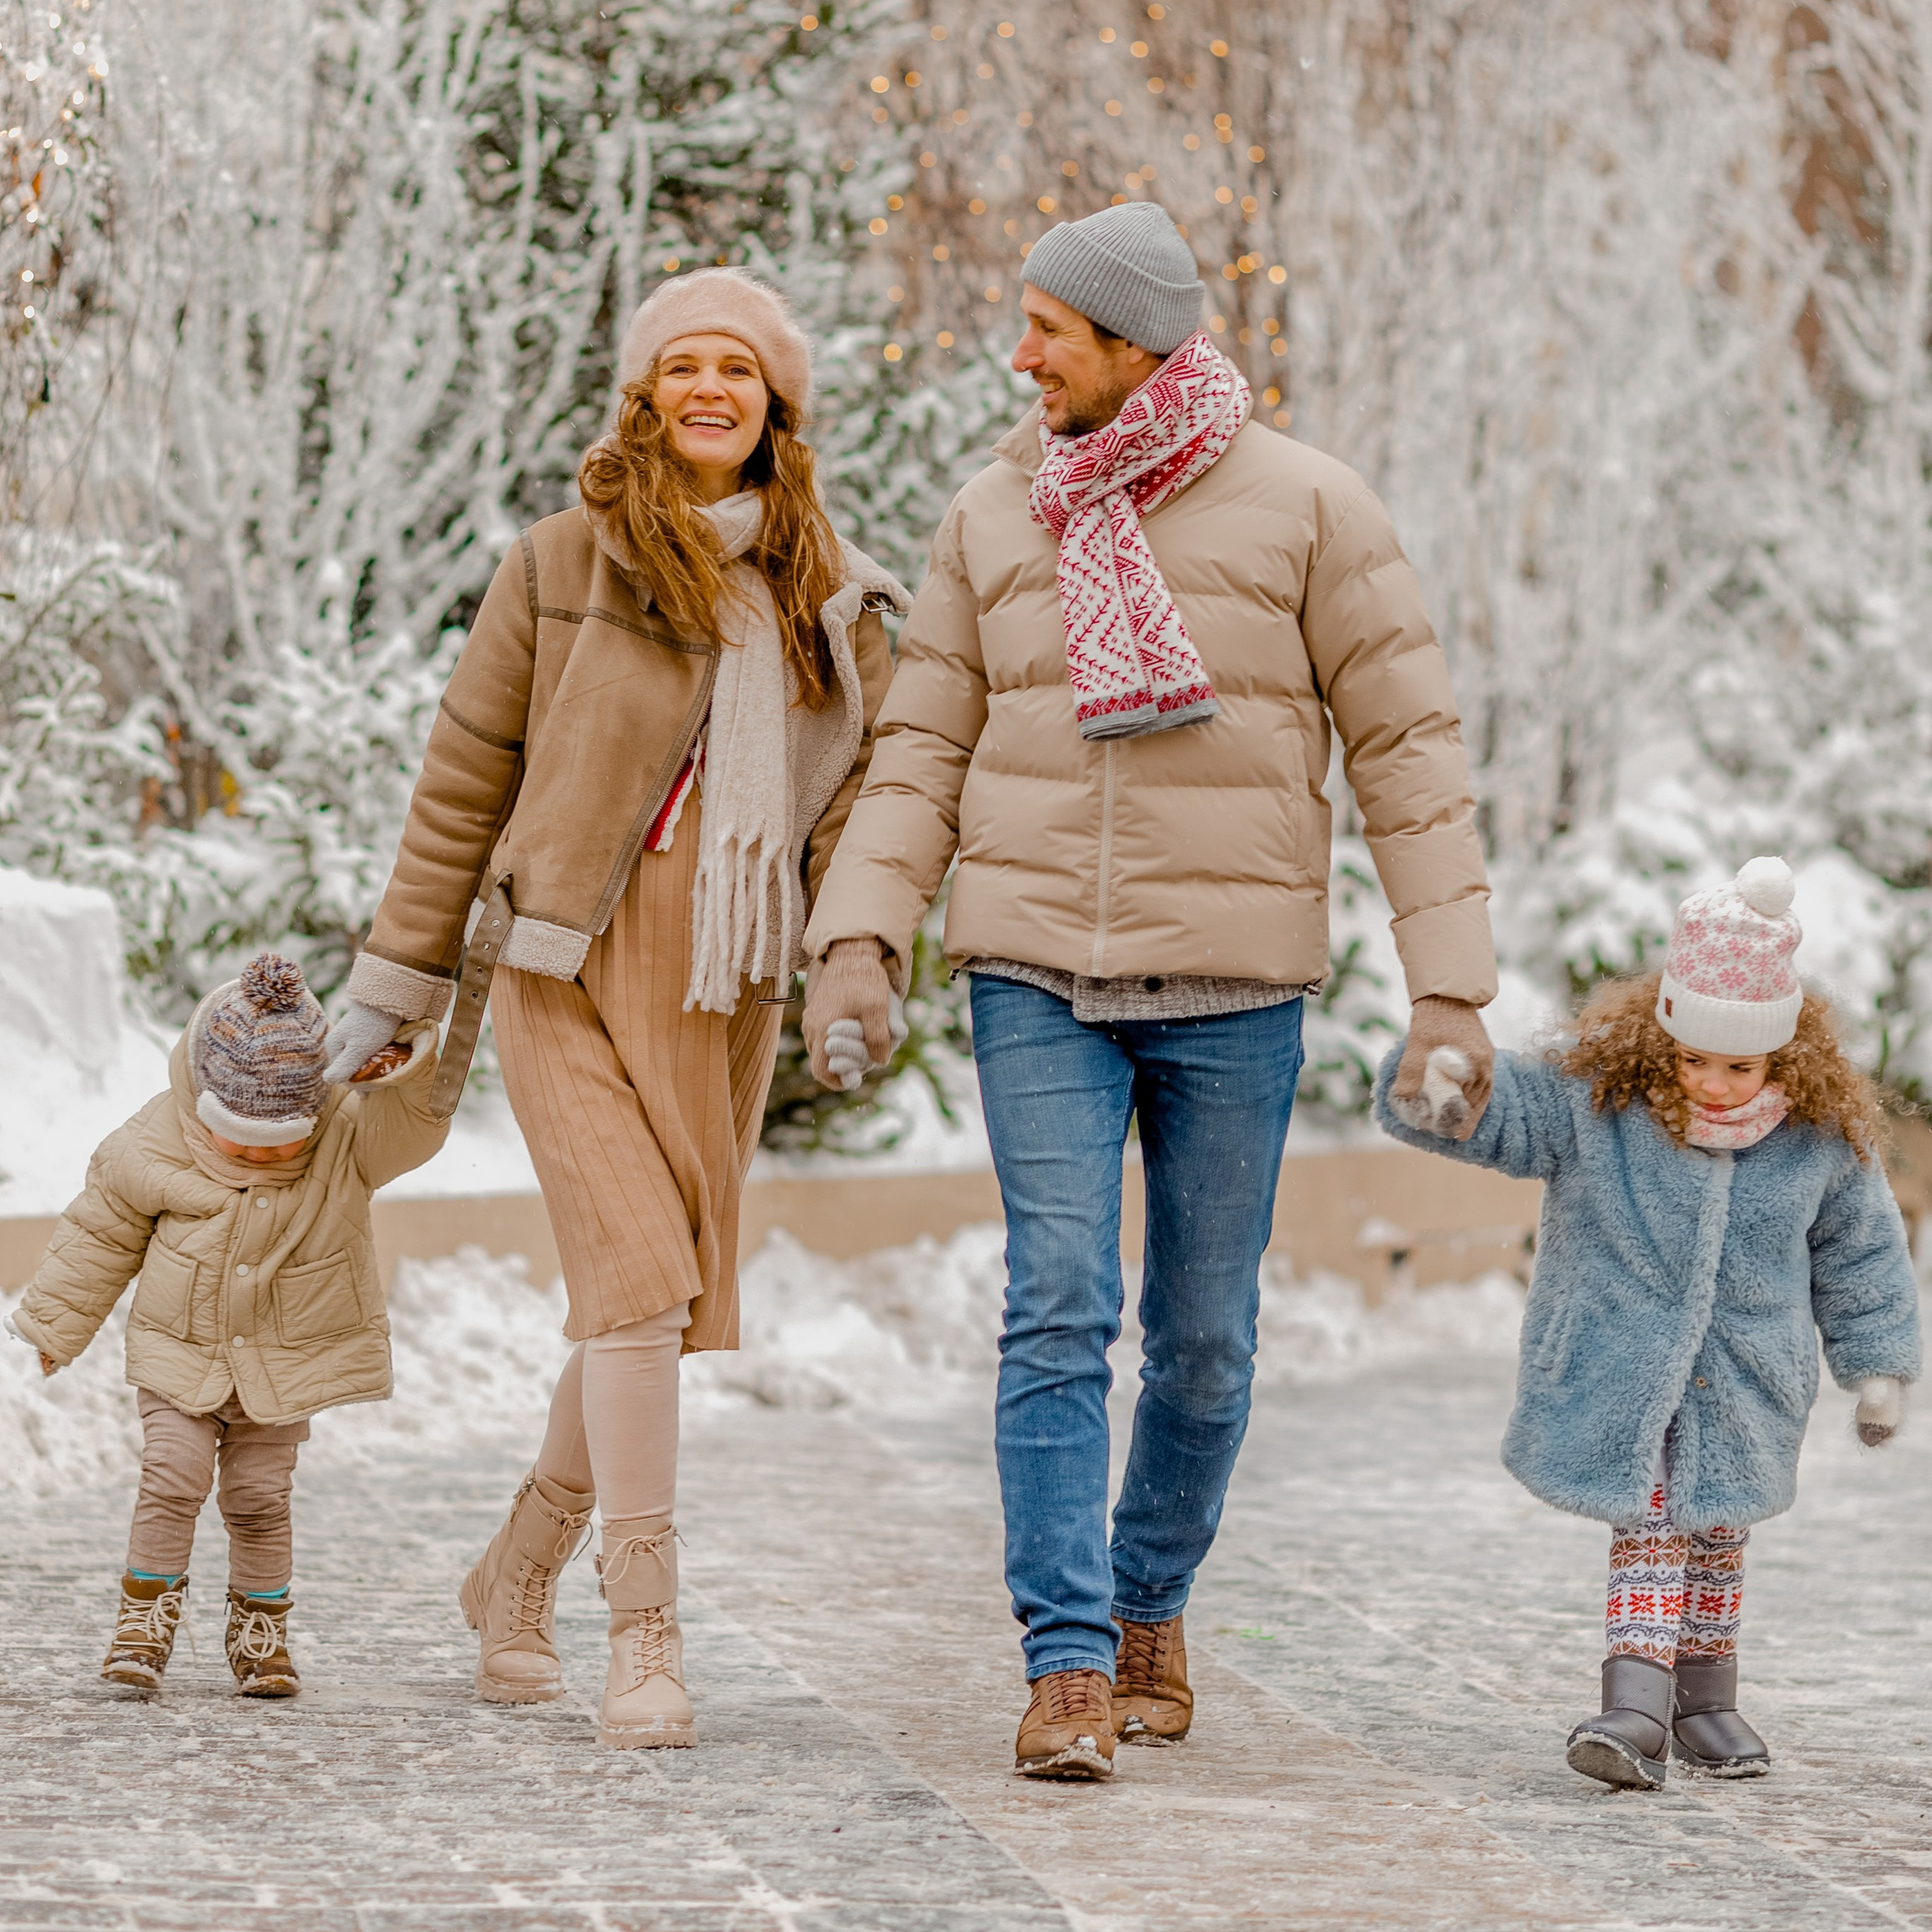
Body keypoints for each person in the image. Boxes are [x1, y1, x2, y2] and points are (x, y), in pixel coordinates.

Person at [800, 201, 1498, 1779]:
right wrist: (859, 935)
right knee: (1055, 1305)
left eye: (1049, 327)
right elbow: (919, 744)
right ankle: (1061, 1662)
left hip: (1233, 987)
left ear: (1134, 341)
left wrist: (1447, 990)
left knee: (1203, 1340)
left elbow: (1406, 753)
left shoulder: (1311, 508)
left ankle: (1146, 1605)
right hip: (1034, 968)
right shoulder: (997, 512)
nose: (1021, 353)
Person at [328, 268, 904, 1749]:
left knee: (633, 1306)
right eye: (677, 366)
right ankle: (642, 1628)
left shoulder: (832, 600)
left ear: (779, 407)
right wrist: (398, 978)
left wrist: (858, 957)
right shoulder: (559, 564)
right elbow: (463, 781)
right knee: (641, 1286)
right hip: (560, 965)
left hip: (721, 986)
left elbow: (861, 817)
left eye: (738, 368)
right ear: (641, 395)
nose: (706, 387)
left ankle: (511, 1571)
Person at [1378, 856, 1920, 1789]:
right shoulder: (1600, 1106)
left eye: (1738, 1064)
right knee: (1655, 1523)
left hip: (1750, 1375)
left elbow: (1861, 1250)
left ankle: (1707, 1699)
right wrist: (1450, 1090)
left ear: (1783, 1054)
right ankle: (1635, 1701)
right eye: (1695, 1059)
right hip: (1623, 1361)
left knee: (1718, 1533)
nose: (1712, 1082)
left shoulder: (1821, 1143)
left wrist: (1876, 1367)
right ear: (1661, 1035)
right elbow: (1506, 1110)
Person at [5, 954, 445, 1698]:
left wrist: (404, 1062)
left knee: (259, 1499)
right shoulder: (156, 1137)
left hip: (284, 1362)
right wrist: (56, 1323)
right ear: (200, 1098)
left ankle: (260, 1635)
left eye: (278, 1138)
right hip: (180, 1354)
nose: (253, 1151)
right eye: (231, 1132)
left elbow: (417, 1125)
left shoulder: (347, 1139)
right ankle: (143, 1624)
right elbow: (100, 1232)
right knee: (172, 1479)